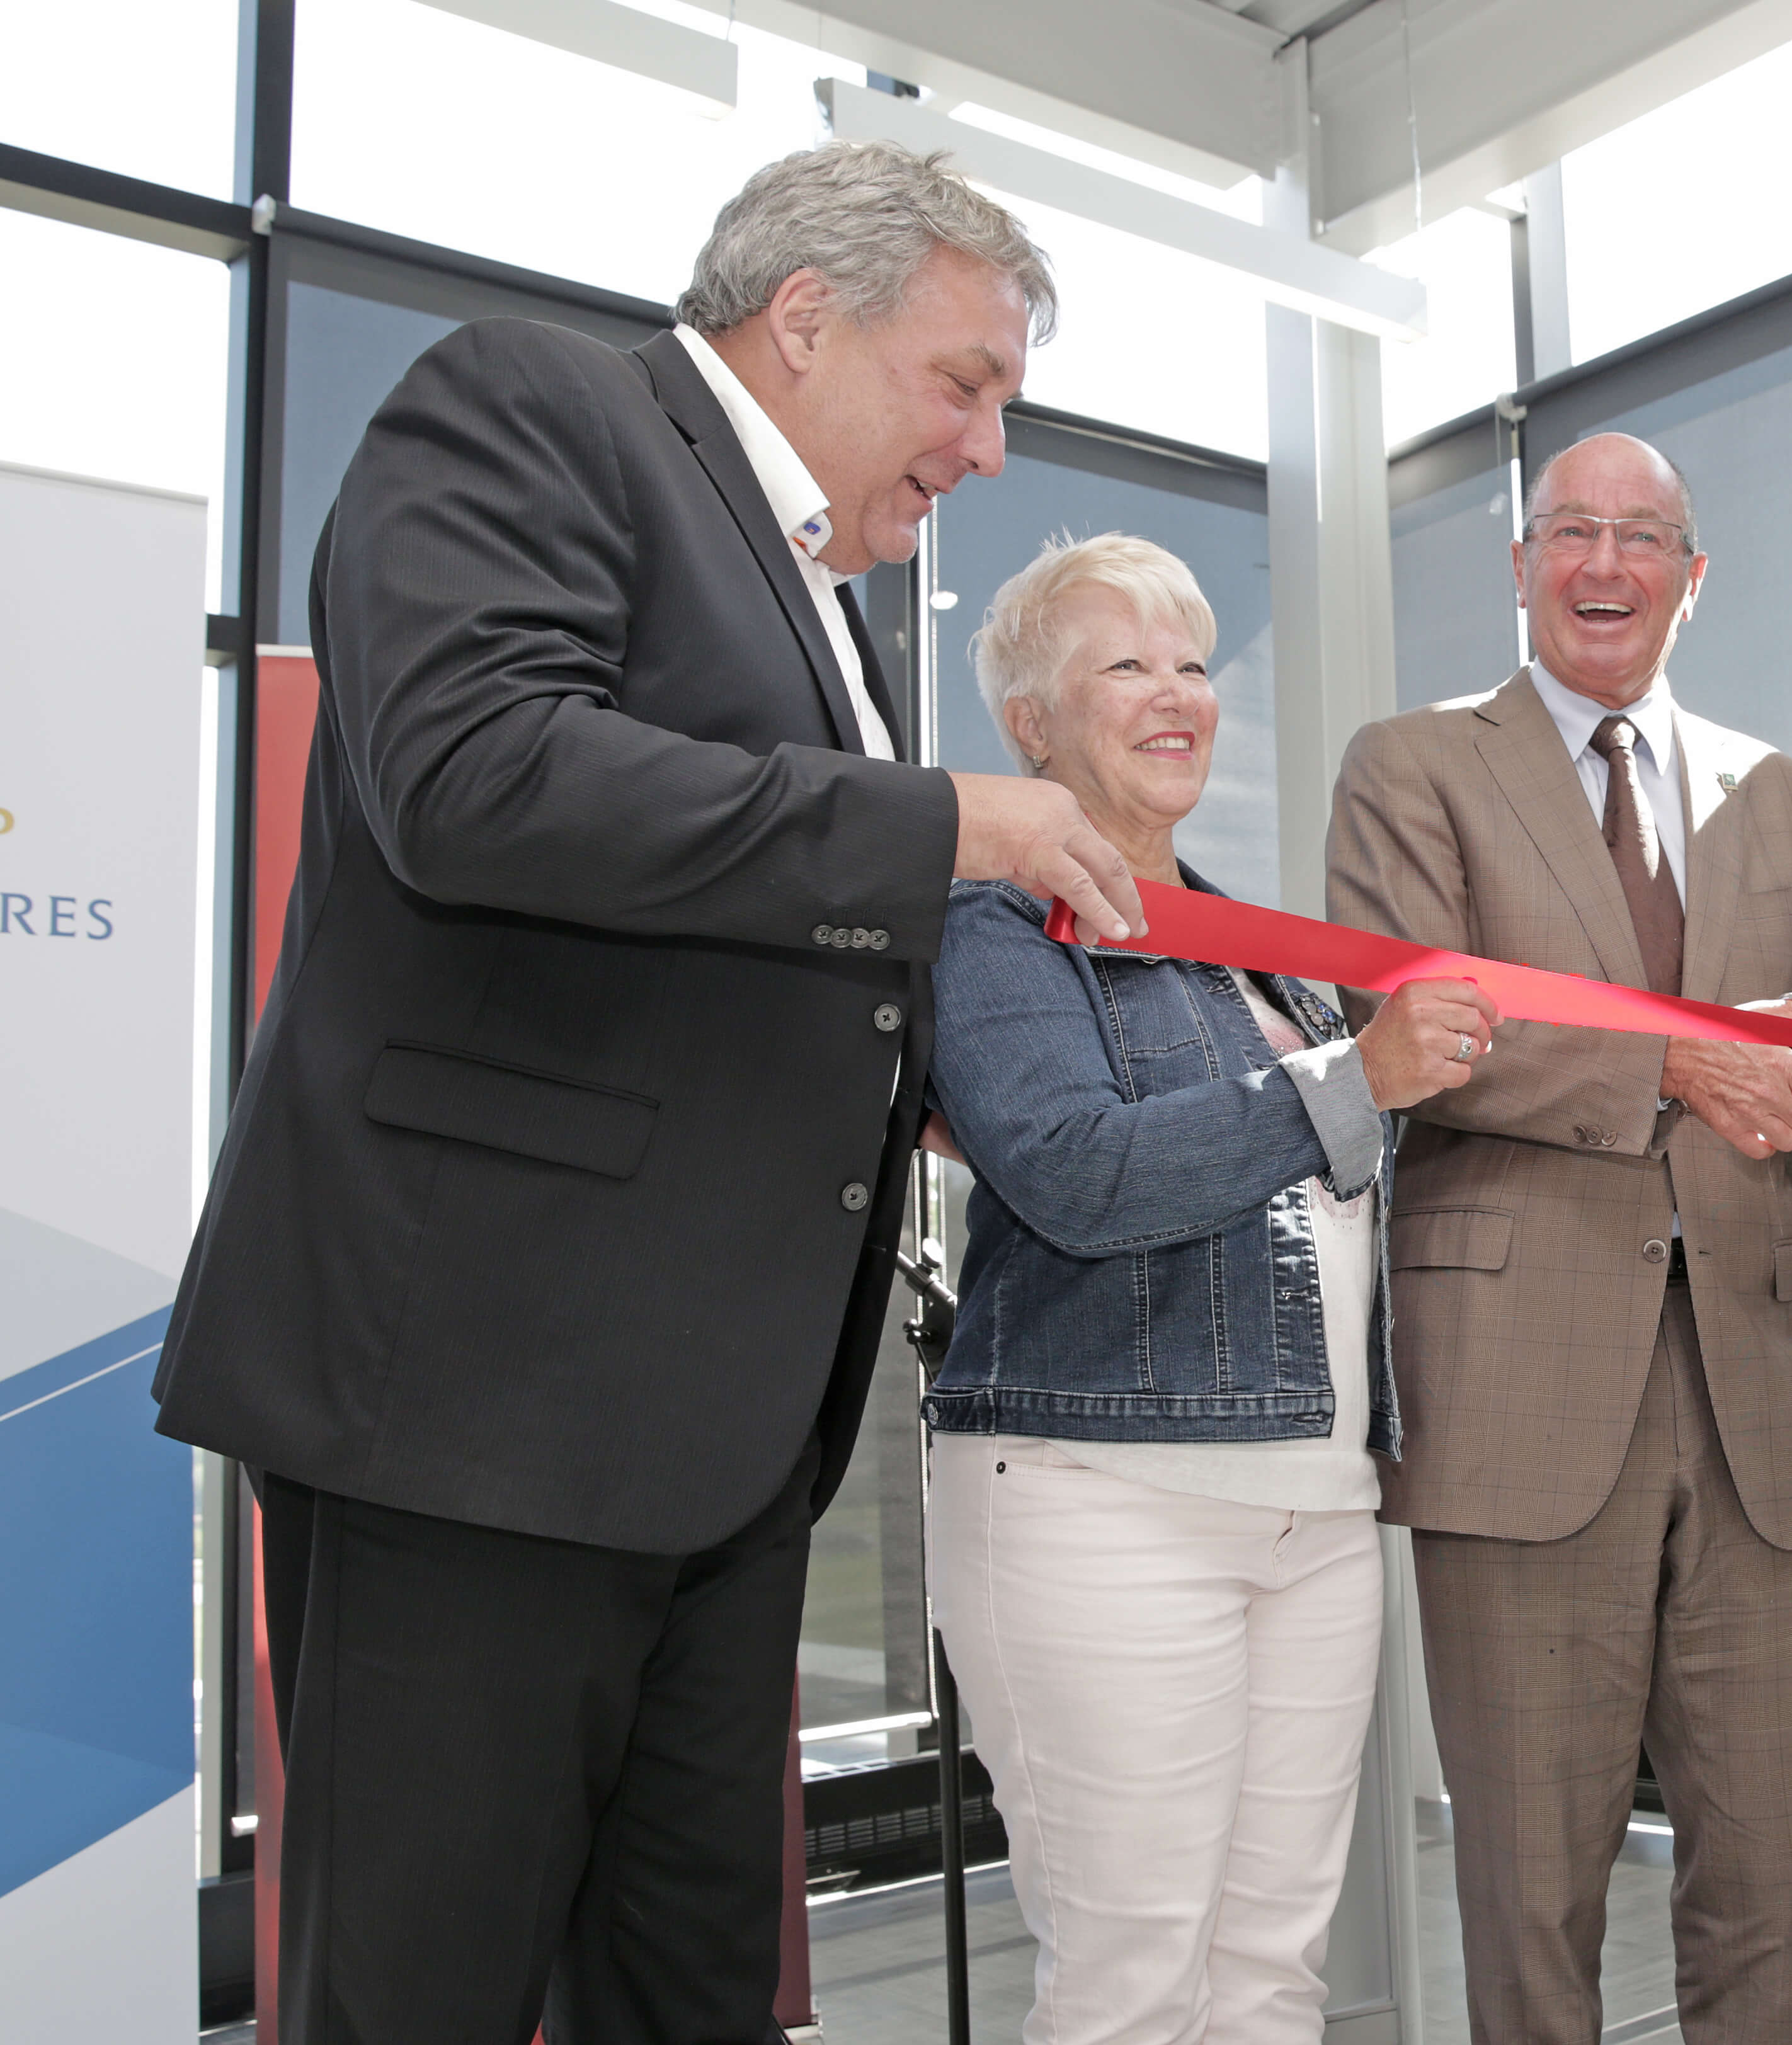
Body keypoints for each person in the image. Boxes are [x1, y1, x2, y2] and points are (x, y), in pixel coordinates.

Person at [152, 142, 1144, 2040]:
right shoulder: (532, 408)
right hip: (478, 1406)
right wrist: (945, 824)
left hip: (710, 1440)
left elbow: (765, 935)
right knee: (420, 1992)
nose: (991, 447)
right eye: (967, 383)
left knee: (690, 1992)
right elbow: (477, 775)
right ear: (802, 319)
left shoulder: (816, 602)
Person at [1325, 434, 1792, 2042]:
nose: (1604, 565)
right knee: (1534, 1888)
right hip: (1520, 1402)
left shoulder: (1778, 799)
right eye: (1571, 531)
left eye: (1642, 539)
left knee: (1774, 1887)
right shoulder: (1413, 767)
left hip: (1761, 1401)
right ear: (1519, 563)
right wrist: (1679, 1056)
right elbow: (1412, 1026)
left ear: (1695, 581)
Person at [922, 534, 1493, 2043]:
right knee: (1131, 1984)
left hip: (1312, 1511)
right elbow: (1075, 1172)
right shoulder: (991, 924)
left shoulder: (1269, 960)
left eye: (1191, 665)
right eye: (1126, 666)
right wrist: (1353, 1077)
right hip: (1099, 1499)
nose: (1177, 696)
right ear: (1032, 726)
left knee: (1266, 1980)